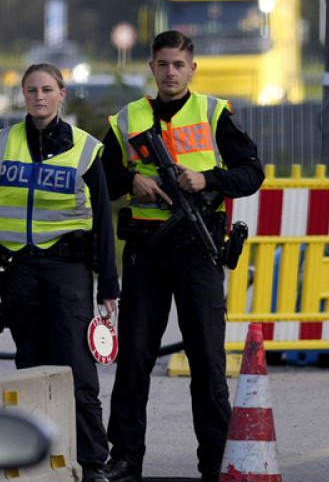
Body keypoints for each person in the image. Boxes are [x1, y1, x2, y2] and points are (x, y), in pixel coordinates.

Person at [100, 30, 264, 482]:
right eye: (163, 64)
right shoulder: (128, 118)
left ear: (192, 69)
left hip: (197, 248)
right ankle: (126, 458)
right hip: (146, 250)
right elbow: (100, 179)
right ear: (151, 68)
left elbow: (253, 173)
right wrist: (131, 180)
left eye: (179, 65)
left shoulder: (214, 113)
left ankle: (215, 461)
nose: (170, 72)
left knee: (207, 359)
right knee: (134, 357)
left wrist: (207, 179)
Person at [0, 62, 120, 482]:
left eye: (47, 89)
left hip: (69, 269)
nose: (38, 96)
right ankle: (38, 460)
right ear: (23, 94)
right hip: (18, 270)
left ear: (61, 95)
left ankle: (92, 463)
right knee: (31, 365)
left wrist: (108, 283)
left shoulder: (86, 149)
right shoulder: (2, 144)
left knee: (77, 367)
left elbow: (102, 218)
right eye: (31, 89)